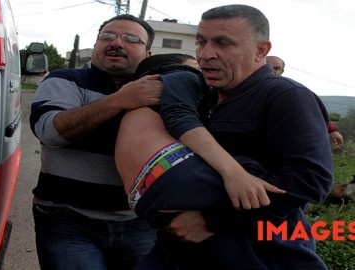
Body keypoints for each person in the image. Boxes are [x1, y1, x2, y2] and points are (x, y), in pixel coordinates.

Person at [133, 5, 333, 270]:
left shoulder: (286, 96)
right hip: (177, 252)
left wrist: (211, 219)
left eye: (223, 43)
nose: (205, 54)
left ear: (261, 50)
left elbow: (310, 180)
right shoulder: (203, 96)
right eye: (201, 42)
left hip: (256, 254)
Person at [29, 14, 163, 270]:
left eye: (131, 39)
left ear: (148, 55)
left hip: (140, 221)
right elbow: (49, 131)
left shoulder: (160, 89)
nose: (117, 43)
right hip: (68, 219)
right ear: (96, 45)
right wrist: (120, 100)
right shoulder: (65, 79)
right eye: (107, 37)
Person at [116, 53, 285, 228]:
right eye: (198, 67)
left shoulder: (134, 109)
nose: (205, 74)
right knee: (272, 193)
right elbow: (180, 117)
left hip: (142, 197)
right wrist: (235, 172)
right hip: (170, 168)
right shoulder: (182, 76)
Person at [266, 55, 344, 146]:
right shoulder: (249, 86)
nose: (272, 71)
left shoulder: (291, 90)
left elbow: (311, 109)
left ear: (282, 71)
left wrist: (332, 130)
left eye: (276, 68)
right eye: (268, 67)